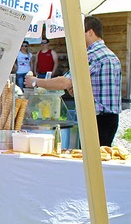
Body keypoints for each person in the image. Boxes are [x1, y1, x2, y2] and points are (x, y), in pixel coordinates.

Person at [25, 16, 122, 146]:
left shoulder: (92, 55)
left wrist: (35, 81)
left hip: (95, 118)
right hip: (111, 118)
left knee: (90, 162)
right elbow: (98, 87)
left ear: (90, 32)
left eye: (79, 32)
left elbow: (64, 82)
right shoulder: (112, 56)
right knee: (101, 159)